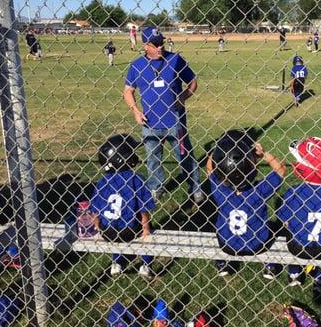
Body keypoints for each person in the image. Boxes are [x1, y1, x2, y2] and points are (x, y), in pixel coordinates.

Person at [123, 26, 202, 202]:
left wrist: (183, 97)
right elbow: (128, 91)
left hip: (175, 121)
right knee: (153, 159)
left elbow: (193, 82)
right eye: (156, 44)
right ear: (145, 45)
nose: (160, 47)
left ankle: (195, 187)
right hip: (150, 123)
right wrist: (135, 111)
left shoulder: (175, 59)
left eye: (162, 43)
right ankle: (156, 188)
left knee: (185, 156)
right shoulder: (137, 65)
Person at [205, 130, 286, 278]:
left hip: (227, 245)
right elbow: (281, 169)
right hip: (258, 245)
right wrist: (263, 154)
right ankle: (270, 265)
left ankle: (222, 263)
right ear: (253, 169)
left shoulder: (220, 190)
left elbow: (209, 169)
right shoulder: (259, 191)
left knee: (216, 224)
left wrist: (217, 152)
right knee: (275, 226)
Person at [277, 137, 321, 300]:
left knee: (292, 230)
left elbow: (284, 220)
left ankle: (295, 272)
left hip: (297, 247)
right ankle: (319, 276)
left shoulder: (293, 192)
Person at [89, 134, 155, 278]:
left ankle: (116, 263)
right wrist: (146, 230)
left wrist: (98, 226)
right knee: (141, 220)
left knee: (114, 220)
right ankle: (145, 263)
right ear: (123, 159)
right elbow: (144, 209)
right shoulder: (136, 178)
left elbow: (95, 210)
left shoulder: (102, 182)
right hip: (130, 231)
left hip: (107, 232)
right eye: (132, 153)